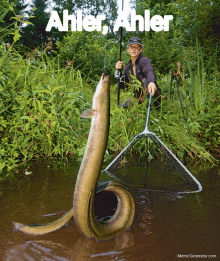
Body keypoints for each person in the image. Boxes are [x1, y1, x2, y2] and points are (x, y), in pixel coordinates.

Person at [115, 37, 161, 108]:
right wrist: (118, 71)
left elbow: (149, 72)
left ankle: (151, 108)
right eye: (131, 47)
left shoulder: (144, 61)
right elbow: (123, 85)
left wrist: (152, 82)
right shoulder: (128, 67)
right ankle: (139, 109)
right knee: (122, 105)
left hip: (151, 94)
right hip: (138, 98)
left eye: (136, 47)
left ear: (141, 50)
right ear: (128, 50)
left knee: (146, 81)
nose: (133, 49)